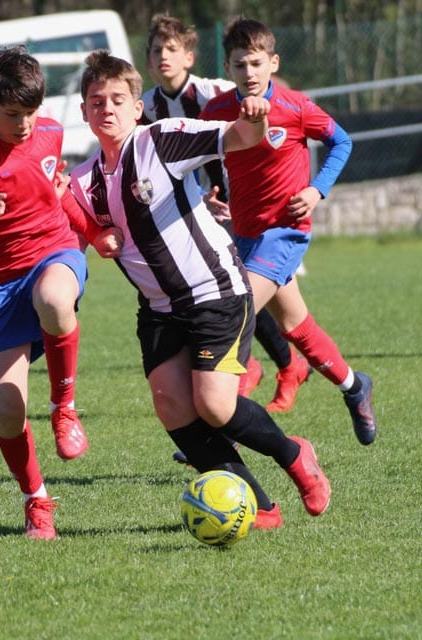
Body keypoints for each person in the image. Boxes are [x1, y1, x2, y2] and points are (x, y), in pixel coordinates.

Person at [69, 50, 332, 530]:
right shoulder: (82, 181)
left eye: (117, 100)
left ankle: (295, 454)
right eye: (96, 101)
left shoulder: (161, 140)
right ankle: (260, 507)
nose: (107, 108)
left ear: (137, 108)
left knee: (215, 406)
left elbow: (238, 137)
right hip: (158, 309)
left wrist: (256, 119)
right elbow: (72, 236)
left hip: (215, 293)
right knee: (172, 406)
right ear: (85, 111)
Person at [0, 46, 106, 540]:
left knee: (55, 300)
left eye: (31, 112)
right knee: (7, 412)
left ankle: (64, 408)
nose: (25, 124)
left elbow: (60, 193)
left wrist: (94, 234)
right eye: (13, 114)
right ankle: (36, 500)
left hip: (54, 253)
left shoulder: (52, 133)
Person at [200, 18, 378, 445]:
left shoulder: (296, 106)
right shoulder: (215, 112)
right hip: (244, 233)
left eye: (256, 63)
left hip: (285, 232)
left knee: (236, 310)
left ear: (273, 62)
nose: (249, 72)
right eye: (240, 64)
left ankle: (223, 424)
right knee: (297, 325)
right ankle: (355, 386)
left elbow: (342, 142)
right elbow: (199, 161)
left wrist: (317, 190)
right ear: (227, 67)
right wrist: (207, 194)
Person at [141, 14, 311, 412]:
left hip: (243, 207)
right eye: (156, 50)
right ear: (148, 60)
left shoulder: (214, 92)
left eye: (171, 49)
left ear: (189, 57)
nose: (163, 56)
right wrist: (200, 195)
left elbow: (269, 100)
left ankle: (274, 366)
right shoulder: (146, 105)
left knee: (242, 293)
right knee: (239, 292)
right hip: (201, 207)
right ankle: (276, 365)